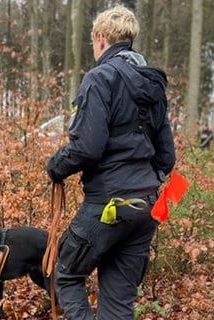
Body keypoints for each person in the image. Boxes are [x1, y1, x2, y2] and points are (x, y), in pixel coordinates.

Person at [46, 5, 176, 320]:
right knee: (118, 304)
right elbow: (167, 157)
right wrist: (144, 183)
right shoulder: (152, 84)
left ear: (101, 38)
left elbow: (86, 149)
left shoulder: (99, 78)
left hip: (109, 203)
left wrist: (55, 167)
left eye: (93, 43)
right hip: (147, 206)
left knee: (66, 274)